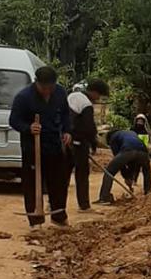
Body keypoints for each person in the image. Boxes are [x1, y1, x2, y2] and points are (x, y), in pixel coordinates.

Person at [9, 65, 72, 226]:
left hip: (54, 145)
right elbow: (14, 120)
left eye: (50, 87)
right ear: (36, 82)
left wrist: (67, 131)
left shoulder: (60, 93)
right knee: (32, 183)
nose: (47, 91)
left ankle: (58, 215)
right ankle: (35, 220)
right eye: (44, 88)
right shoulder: (23, 97)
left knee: (58, 182)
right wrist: (28, 128)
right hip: (32, 147)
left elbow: (66, 115)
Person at [66, 78, 110, 211]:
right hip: (78, 143)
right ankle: (84, 206)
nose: (98, 99)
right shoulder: (86, 104)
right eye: (99, 95)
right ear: (95, 92)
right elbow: (89, 127)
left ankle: (54, 203)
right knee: (82, 175)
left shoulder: (71, 95)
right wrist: (93, 144)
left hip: (64, 139)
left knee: (63, 174)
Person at [96, 128, 151, 205]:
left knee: (109, 171)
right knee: (147, 170)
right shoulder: (131, 133)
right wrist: (129, 177)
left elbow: (120, 164)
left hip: (128, 151)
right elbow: (132, 163)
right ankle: (148, 193)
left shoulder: (113, 138)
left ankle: (104, 198)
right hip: (143, 152)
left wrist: (126, 177)